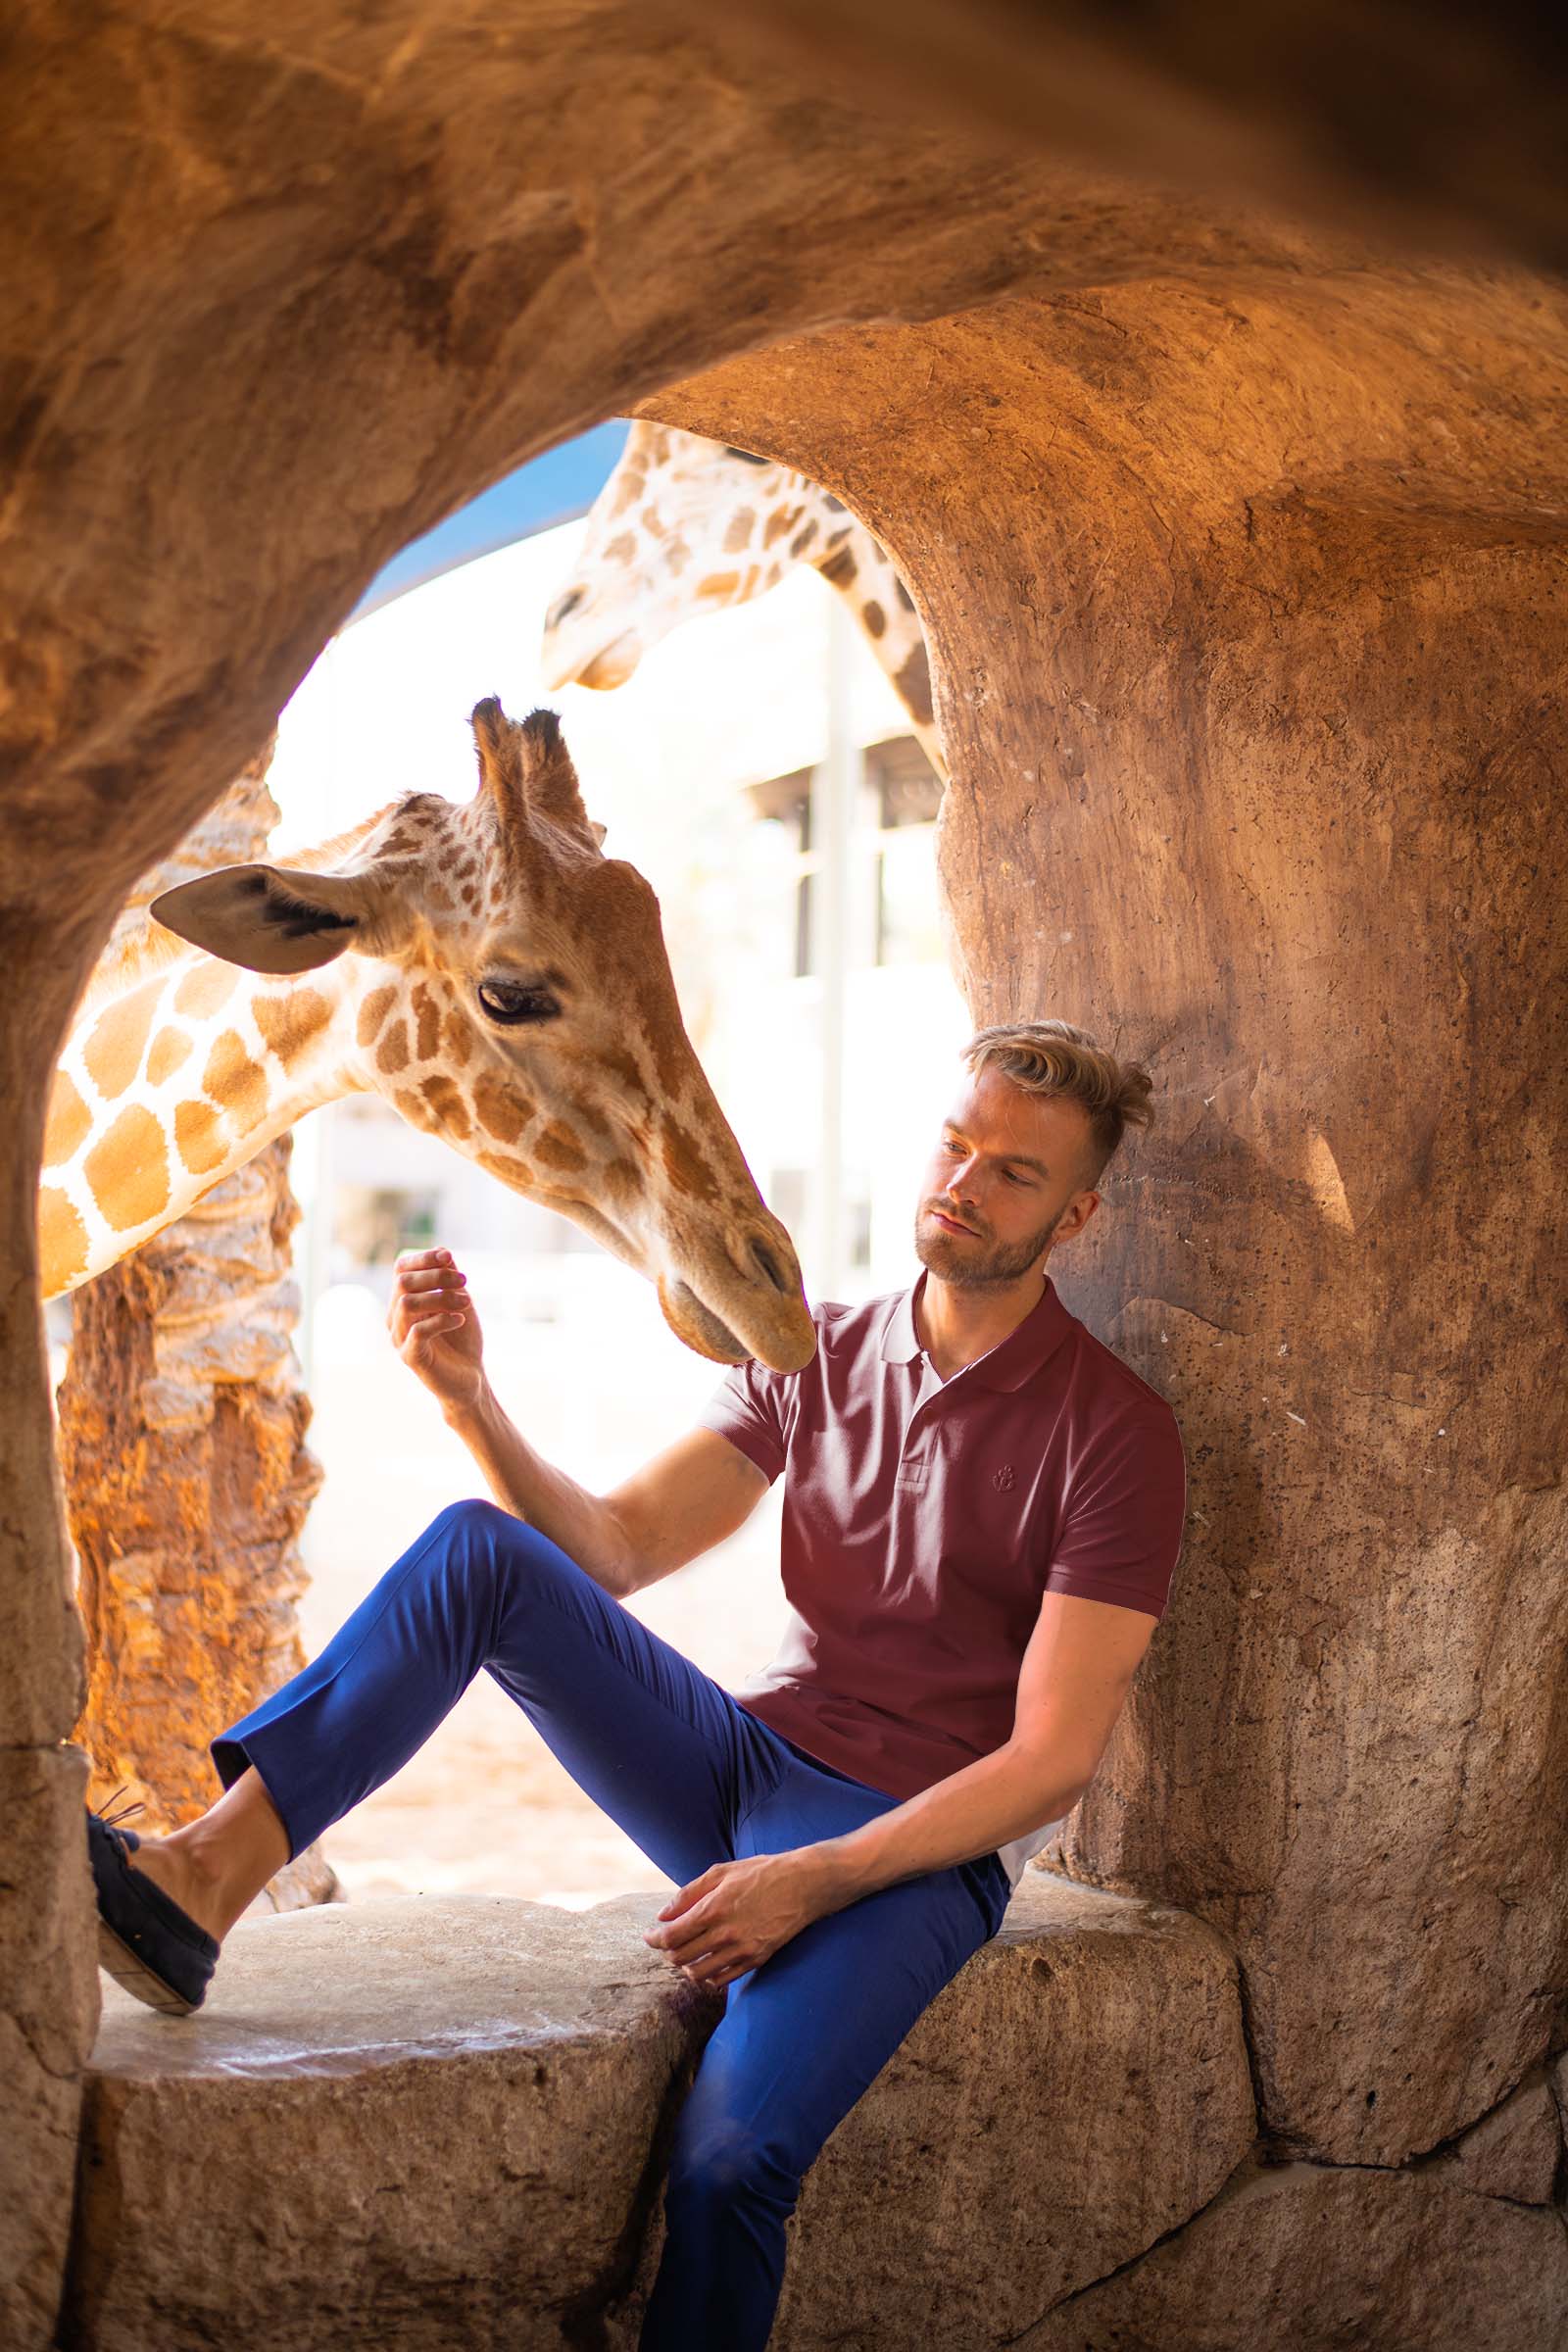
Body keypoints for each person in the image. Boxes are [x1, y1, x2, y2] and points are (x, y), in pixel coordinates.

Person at [86, 1016, 1187, 2349]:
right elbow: (610, 1550)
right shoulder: (814, 1348)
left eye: (1013, 1171)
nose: (964, 1180)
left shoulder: (1115, 1432)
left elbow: (1052, 1761)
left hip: (907, 1854)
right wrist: (468, 1402)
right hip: (741, 1765)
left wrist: (815, 1880)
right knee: (476, 1554)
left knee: (731, 2168)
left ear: (1073, 1216)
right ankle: (202, 1879)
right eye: (955, 1143)